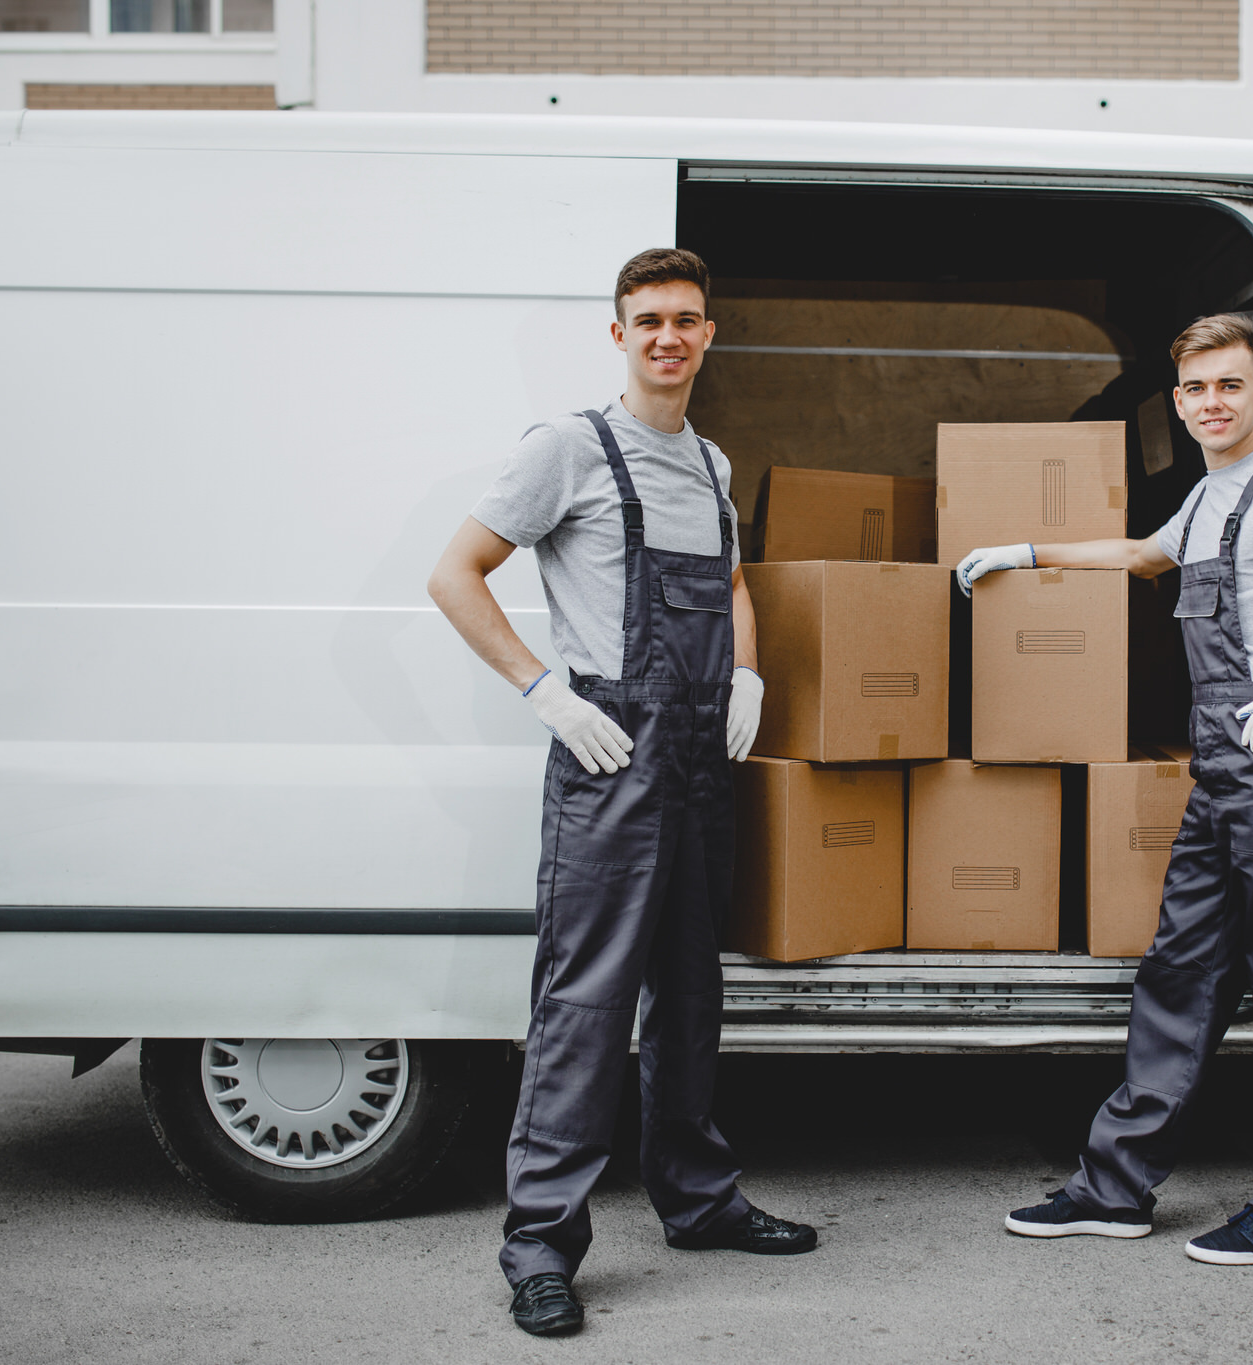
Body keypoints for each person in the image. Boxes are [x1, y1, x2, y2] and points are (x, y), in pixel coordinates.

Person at [959, 313, 1253, 1265]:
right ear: (1177, 403)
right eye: (1194, 389)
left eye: (1229, 385)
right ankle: (1117, 1187)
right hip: (1220, 765)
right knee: (1178, 973)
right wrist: (1026, 554)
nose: (1211, 402)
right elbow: (1143, 556)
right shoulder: (1214, 493)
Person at [427, 248, 816, 1338]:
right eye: (647, 319)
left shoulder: (708, 461)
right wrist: (544, 692)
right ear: (617, 335)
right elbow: (454, 573)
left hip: (699, 762)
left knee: (691, 1001)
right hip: (608, 758)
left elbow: (731, 583)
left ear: (707, 334)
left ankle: (697, 1201)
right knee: (584, 1007)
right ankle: (541, 1247)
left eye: (686, 319)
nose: (667, 337)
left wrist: (746, 672)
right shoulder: (568, 449)